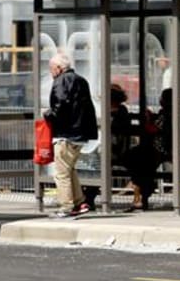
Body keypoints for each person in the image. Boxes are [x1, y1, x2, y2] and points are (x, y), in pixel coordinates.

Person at [43, 52, 98, 217]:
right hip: (80, 133)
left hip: (65, 133)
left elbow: (61, 104)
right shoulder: (81, 80)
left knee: (61, 173)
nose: (51, 72)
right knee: (70, 169)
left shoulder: (61, 81)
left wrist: (48, 114)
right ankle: (80, 202)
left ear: (59, 68)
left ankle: (66, 206)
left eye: (52, 68)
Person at [83, 83, 133, 210]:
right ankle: (86, 197)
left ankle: (88, 197)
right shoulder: (111, 111)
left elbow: (114, 133)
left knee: (96, 164)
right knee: (88, 161)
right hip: (105, 148)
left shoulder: (119, 112)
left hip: (114, 149)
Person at [121, 87, 173, 211]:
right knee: (138, 160)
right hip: (157, 149)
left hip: (158, 150)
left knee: (135, 158)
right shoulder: (168, 113)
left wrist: (149, 118)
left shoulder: (166, 114)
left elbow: (153, 129)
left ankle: (141, 193)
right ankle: (142, 192)